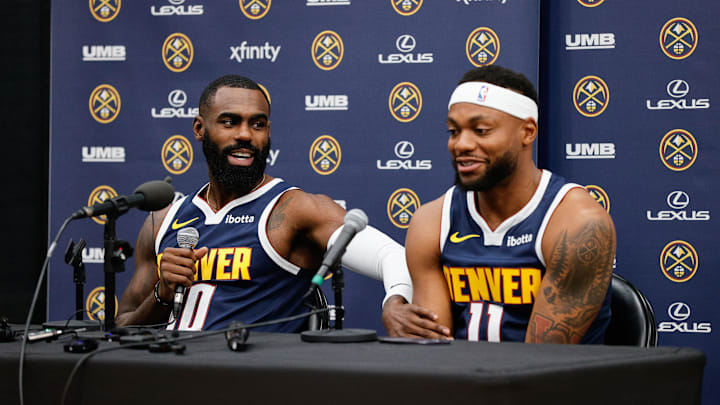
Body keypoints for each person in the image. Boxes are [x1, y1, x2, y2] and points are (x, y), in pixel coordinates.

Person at [116, 74, 446, 333]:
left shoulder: (292, 210)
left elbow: (392, 256)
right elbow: (121, 329)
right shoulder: (163, 220)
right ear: (200, 129)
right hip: (168, 382)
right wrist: (162, 293)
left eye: (257, 124)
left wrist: (396, 300)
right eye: (229, 122)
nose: (245, 135)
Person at [406, 65, 615, 343]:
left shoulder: (578, 223)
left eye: (481, 130)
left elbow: (541, 364)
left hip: (550, 383)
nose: (461, 144)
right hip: (456, 379)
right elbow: (434, 349)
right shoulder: (431, 221)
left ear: (527, 132)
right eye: (453, 131)